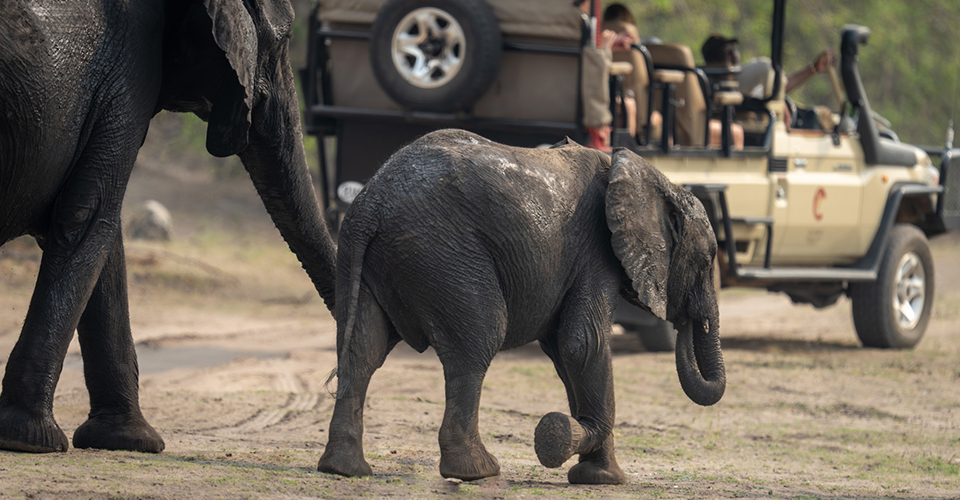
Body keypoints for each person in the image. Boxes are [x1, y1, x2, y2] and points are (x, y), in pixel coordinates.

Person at [701, 35, 835, 131]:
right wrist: (778, 102)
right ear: (712, 59)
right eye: (726, 52)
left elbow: (782, 85)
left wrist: (812, 69)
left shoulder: (741, 86)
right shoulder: (729, 81)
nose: (733, 55)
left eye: (734, 50)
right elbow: (766, 67)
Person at [574, 0, 637, 151]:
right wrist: (603, 51)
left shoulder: (513, 20)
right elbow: (591, 63)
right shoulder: (582, 23)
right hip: (581, 115)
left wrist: (605, 46)